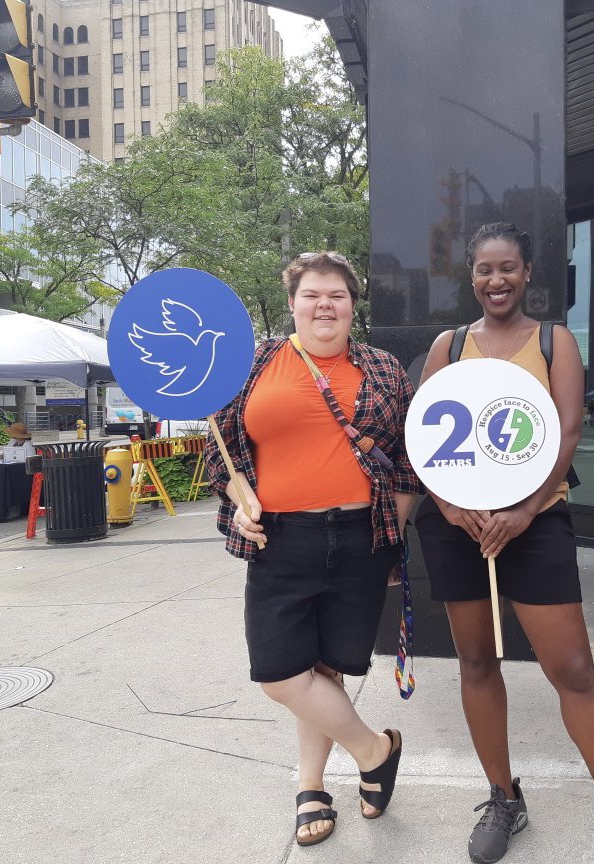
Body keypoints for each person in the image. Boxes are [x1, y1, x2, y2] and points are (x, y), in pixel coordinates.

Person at [415, 224, 594, 864]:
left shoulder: (556, 341)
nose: (495, 280)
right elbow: (423, 439)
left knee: (574, 672)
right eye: (483, 269)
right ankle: (504, 798)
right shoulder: (447, 348)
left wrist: (525, 511)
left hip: (537, 527)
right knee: (477, 662)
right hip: (461, 530)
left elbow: (564, 432)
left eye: (508, 268)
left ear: (529, 272)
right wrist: (453, 509)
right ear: (470, 277)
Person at [204, 252, 419, 847]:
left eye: (338, 295)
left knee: (327, 667)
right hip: (281, 540)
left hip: (360, 538)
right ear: (293, 302)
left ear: (354, 304)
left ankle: (311, 785)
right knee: (280, 672)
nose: (325, 305)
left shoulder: (384, 370)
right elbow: (218, 448)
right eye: (312, 295)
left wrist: (392, 537)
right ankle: (374, 750)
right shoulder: (252, 365)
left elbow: (406, 461)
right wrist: (239, 504)